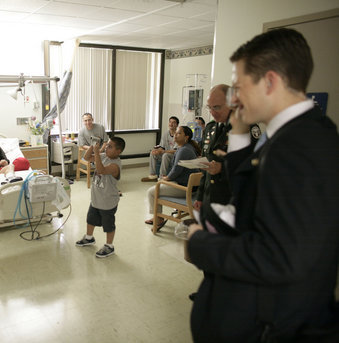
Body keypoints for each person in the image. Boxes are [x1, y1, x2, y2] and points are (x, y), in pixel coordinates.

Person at [187, 28, 339, 342]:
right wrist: (239, 131)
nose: (234, 98)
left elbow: (281, 258)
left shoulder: (301, 147)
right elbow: (253, 194)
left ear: (269, 82)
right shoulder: (294, 134)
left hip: (275, 324)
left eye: (239, 87)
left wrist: (200, 242)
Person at [194, 84, 260, 214]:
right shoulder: (210, 128)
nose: (212, 112)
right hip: (211, 197)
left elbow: (254, 166)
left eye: (217, 107)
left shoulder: (246, 128)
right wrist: (200, 196)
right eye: (210, 107)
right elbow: (206, 169)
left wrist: (222, 169)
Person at [75, 137, 125, 258]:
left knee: (108, 225)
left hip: (108, 201)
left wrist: (97, 152)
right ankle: (89, 238)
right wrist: (93, 146)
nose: (106, 148)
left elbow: (101, 170)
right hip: (96, 199)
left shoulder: (115, 165)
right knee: (90, 219)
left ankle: (109, 246)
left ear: (118, 151)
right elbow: (86, 158)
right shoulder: (103, 156)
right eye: (107, 145)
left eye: (110, 146)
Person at [144, 126, 201, 230]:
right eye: (176, 133)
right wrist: (168, 178)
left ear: (186, 137)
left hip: (185, 188)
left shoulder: (184, 150)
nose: (175, 135)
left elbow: (176, 169)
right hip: (188, 185)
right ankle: (158, 216)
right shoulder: (186, 148)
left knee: (151, 192)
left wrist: (167, 178)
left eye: (179, 133)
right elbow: (177, 169)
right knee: (160, 183)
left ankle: (159, 219)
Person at [141, 116, 179, 182]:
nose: (171, 124)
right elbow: (162, 146)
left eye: (173, 122)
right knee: (153, 153)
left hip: (174, 155)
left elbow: (175, 150)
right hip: (165, 152)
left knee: (165, 155)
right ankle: (152, 175)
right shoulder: (166, 133)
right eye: (170, 122)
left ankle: (162, 177)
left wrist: (163, 151)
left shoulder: (178, 135)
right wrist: (158, 150)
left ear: (177, 125)